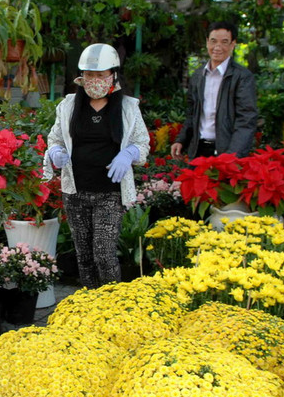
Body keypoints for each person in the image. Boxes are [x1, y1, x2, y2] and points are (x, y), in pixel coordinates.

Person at [44, 43, 150, 289]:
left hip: (110, 192)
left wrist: (129, 153)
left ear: (113, 75)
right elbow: (55, 139)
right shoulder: (68, 106)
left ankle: (113, 302)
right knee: (84, 255)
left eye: (100, 75)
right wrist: (56, 151)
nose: (94, 81)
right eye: (89, 75)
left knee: (103, 251)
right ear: (82, 77)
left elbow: (142, 144)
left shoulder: (127, 108)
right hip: (76, 191)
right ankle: (90, 302)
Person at [171, 21, 259, 160]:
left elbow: (246, 120)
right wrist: (181, 140)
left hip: (227, 151)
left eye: (224, 42)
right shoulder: (198, 76)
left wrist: (231, 156)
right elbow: (192, 114)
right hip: (198, 150)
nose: (217, 47)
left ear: (232, 44)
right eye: (213, 41)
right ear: (207, 42)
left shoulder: (242, 77)